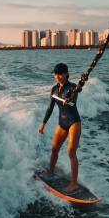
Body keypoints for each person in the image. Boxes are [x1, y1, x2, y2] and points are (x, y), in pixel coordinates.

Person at [38, 63, 82, 193]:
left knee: (71, 152)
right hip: (62, 123)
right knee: (54, 149)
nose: (57, 76)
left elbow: (74, 94)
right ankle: (51, 172)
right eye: (55, 74)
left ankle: (74, 183)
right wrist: (43, 123)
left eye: (60, 74)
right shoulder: (54, 89)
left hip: (74, 122)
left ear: (66, 74)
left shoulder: (72, 87)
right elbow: (50, 108)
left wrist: (68, 99)